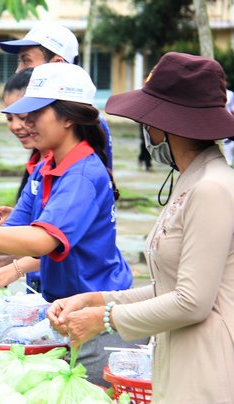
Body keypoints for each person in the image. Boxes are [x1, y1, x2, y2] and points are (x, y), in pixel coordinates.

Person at [0, 63, 136, 385]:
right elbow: (13, 232)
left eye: (36, 112)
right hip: (63, 313)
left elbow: (39, 242)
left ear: (68, 117)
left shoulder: (81, 175)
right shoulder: (47, 166)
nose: (25, 123)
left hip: (94, 317)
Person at [47, 52, 234, 402]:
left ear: (164, 125)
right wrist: (99, 299)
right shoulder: (191, 180)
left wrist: (106, 319)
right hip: (181, 355)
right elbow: (169, 286)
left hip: (209, 366)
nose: (146, 131)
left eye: (148, 122)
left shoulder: (212, 187)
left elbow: (192, 301)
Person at [0, 20, 113, 170]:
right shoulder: (47, 127)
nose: (18, 71)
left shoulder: (85, 122)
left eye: (26, 62)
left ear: (58, 63)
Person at [0, 68, 45, 293]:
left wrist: (15, 266)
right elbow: (19, 228)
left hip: (85, 299)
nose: (16, 125)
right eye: (9, 117)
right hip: (46, 288)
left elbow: (63, 244)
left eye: (24, 117)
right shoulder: (40, 163)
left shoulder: (78, 172)